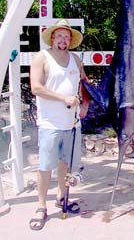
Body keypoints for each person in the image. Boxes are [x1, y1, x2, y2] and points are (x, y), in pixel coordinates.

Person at [29, 19, 88, 231]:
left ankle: (61, 196)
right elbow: (36, 87)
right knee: (45, 166)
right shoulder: (41, 58)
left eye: (66, 36)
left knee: (65, 163)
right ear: (52, 37)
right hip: (49, 123)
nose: (62, 39)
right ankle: (41, 206)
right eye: (58, 35)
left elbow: (85, 85)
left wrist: (85, 105)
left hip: (72, 124)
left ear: (70, 40)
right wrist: (63, 98)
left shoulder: (75, 59)